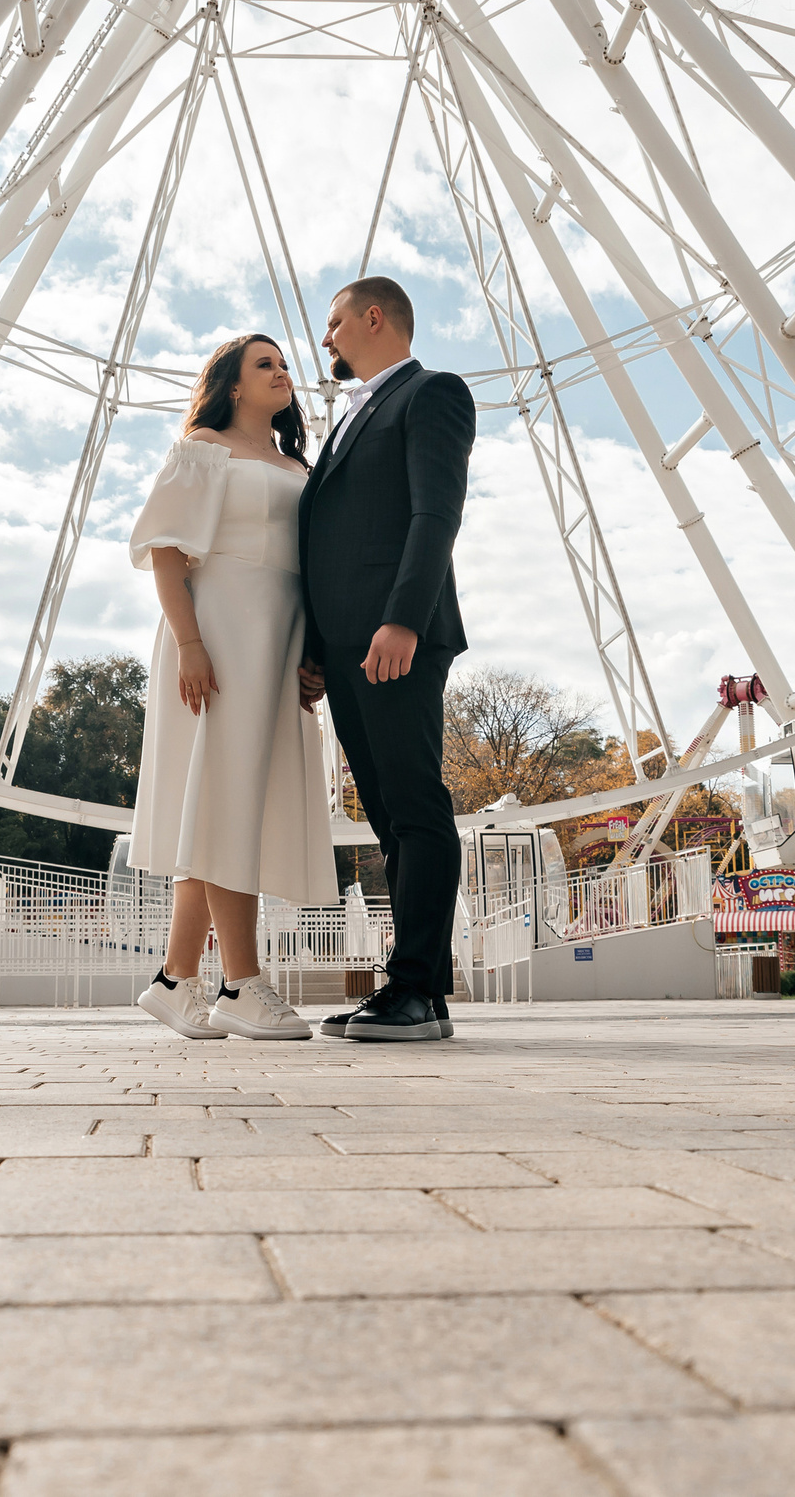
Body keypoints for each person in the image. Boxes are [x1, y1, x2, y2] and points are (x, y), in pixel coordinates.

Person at [129, 332, 339, 1042]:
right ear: (233, 384)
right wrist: (189, 643)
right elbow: (164, 550)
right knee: (225, 798)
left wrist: (311, 654)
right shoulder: (202, 449)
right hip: (217, 634)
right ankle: (241, 983)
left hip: (276, 638)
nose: (282, 372)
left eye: (283, 364)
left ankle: (173, 978)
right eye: (264, 364)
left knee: (223, 804)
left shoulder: (295, 464)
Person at [300, 277, 475, 1043]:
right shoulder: (348, 418)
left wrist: (404, 618)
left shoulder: (432, 394)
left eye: (334, 322)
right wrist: (314, 649)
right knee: (389, 819)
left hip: (395, 637)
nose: (327, 338)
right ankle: (418, 989)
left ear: (375, 318)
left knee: (415, 805)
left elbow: (437, 512)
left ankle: (413, 987)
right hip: (344, 647)